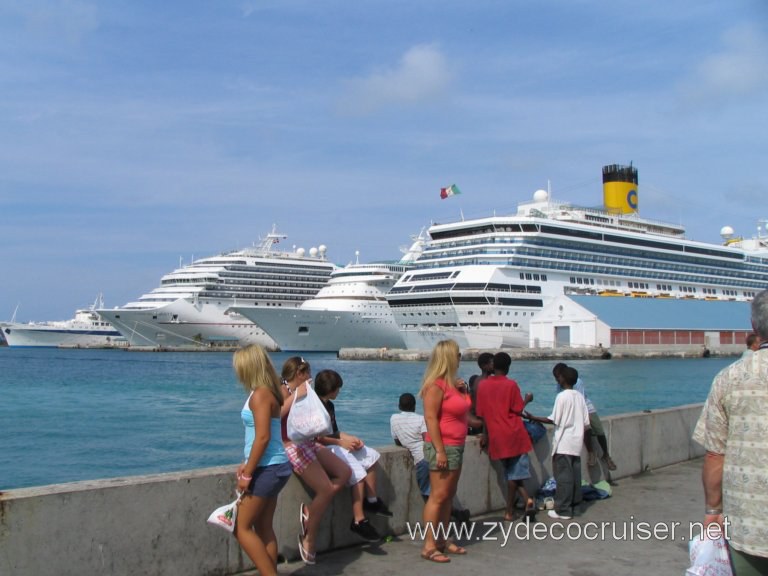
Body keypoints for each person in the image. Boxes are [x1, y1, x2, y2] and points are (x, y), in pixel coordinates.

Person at [693, 290, 768, 575]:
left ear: (754, 326)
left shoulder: (728, 378)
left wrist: (713, 512)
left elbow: (715, 455)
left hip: (748, 526)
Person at [280, 357, 351, 565]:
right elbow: (275, 414)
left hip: (309, 442)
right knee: (326, 490)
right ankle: (309, 537)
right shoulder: (283, 390)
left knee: (344, 473)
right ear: (299, 373)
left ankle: (310, 512)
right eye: (308, 372)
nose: (311, 377)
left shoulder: (305, 389)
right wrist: (296, 396)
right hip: (291, 446)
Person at [232, 344, 293, 576]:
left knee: (241, 527)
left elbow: (263, 437)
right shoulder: (268, 391)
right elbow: (262, 436)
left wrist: (248, 473)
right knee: (264, 527)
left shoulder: (260, 394)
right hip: (275, 466)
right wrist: (247, 461)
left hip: (267, 469)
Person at [314, 369, 392, 543]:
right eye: (337, 389)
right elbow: (316, 438)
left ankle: (371, 500)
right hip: (322, 449)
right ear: (331, 389)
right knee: (357, 474)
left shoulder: (330, 405)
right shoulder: (314, 407)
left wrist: (350, 438)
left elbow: (334, 432)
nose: (339, 392)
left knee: (370, 456)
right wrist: (341, 443)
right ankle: (358, 520)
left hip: (332, 443)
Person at [419, 339, 478, 563]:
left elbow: (461, 410)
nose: (460, 358)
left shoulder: (452, 384)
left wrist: (463, 392)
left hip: (457, 445)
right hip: (444, 447)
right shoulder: (435, 385)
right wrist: (440, 451)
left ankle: (442, 539)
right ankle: (429, 545)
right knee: (438, 496)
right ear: (449, 357)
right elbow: (431, 418)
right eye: (458, 355)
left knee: (448, 496)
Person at [390, 392, 471, 521]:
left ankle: (451, 518)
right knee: (438, 494)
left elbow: (397, 441)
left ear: (399, 406)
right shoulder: (421, 419)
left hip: (420, 460)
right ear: (415, 406)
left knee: (430, 495)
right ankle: (455, 515)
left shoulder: (393, 419)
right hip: (429, 456)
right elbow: (427, 438)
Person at [475, 352, 535, 521]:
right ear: (508, 367)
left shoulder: (483, 386)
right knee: (514, 475)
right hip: (514, 434)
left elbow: (482, 414)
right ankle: (510, 510)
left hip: (496, 435)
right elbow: (517, 410)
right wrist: (527, 400)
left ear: (493, 367)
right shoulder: (511, 385)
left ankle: (527, 501)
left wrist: (485, 435)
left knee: (511, 473)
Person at [527, 365, 590, 520]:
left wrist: (533, 417)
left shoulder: (562, 397)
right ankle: (575, 504)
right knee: (575, 476)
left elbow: (553, 419)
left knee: (563, 478)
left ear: (562, 379)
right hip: (576, 443)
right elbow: (586, 422)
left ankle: (563, 509)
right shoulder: (580, 397)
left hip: (564, 443)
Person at [552, 363, 616, 471]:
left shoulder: (578, 382)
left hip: (586, 408)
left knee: (598, 429)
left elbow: (580, 401)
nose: (557, 380)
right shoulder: (559, 386)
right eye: (555, 378)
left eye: (558, 377)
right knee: (585, 430)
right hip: (574, 409)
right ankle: (591, 452)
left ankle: (606, 455)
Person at [467, 352, 493, 435]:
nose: (495, 366)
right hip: (483, 422)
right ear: (484, 366)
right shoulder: (486, 382)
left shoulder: (476, 379)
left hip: (477, 417)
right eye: (492, 363)